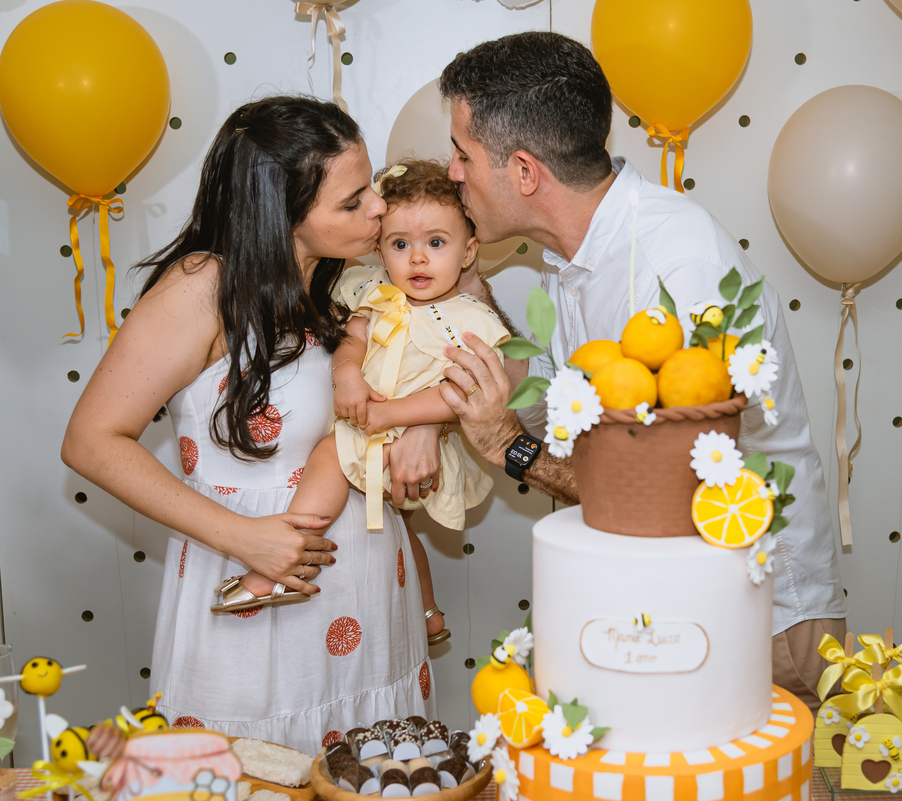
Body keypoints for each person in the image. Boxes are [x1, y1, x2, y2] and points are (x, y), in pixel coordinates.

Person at [434, 32, 848, 714]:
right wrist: (467, 305)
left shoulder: (675, 267)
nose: (452, 172)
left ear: (527, 172)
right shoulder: (571, 257)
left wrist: (505, 445)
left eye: (463, 154)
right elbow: (552, 397)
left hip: (750, 619)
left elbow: (662, 497)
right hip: (664, 606)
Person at [61, 96, 437, 753]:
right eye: (352, 203)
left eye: (370, 189)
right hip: (255, 598)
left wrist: (418, 436)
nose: (379, 209)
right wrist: (245, 538)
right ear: (281, 215)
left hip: (369, 593)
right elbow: (90, 441)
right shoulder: (201, 288)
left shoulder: (353, 285)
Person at [218, 159, 509, 649]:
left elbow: (463, 393)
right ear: (379, 249)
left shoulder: (469, 318)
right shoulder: (376, 295)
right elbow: (352, 339)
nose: (418, 260)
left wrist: (390, 415)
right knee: (399, 528)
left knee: (330, 455)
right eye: (401, 245)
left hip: (414, 431)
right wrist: (347, 374)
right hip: (372, 421)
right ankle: (428, 611)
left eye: (435, 244)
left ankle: (280, 566)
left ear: (468, 252)